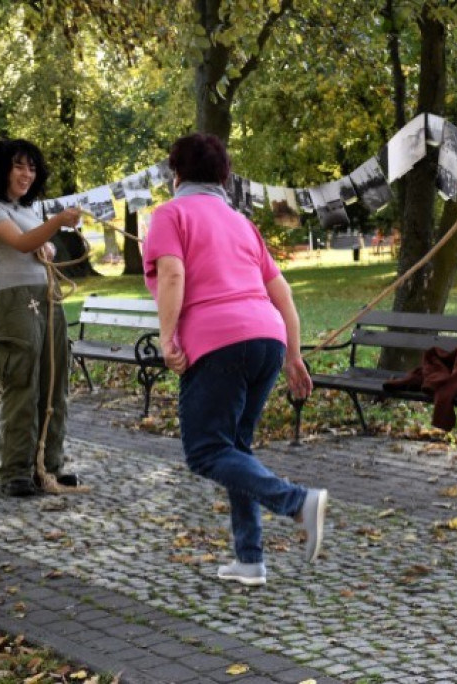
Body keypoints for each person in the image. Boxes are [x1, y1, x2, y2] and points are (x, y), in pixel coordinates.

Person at [143, 133, 326, 586]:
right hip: (267, 339)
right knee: (235, 449)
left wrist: (167, 340)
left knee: (206, 451)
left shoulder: (170, 214)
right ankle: (250, 559)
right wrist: (293, 356)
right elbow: (281, 291)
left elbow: (172, 274)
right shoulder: (239, 221)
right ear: (225, 177)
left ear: (176, 174)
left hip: (218, 342)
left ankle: (297, 502)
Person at [0, 139, 83, 497]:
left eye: (32, 168)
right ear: (3, 169)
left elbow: (36, 243)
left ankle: (48, 467)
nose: (26, 174)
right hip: (14, 299)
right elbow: (21, 244)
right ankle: (15, 472)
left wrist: (49, 243)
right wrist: (56, 224)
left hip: (47, 296)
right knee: (23, 384)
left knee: (54, 384)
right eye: (19, 166)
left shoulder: (29, 211)